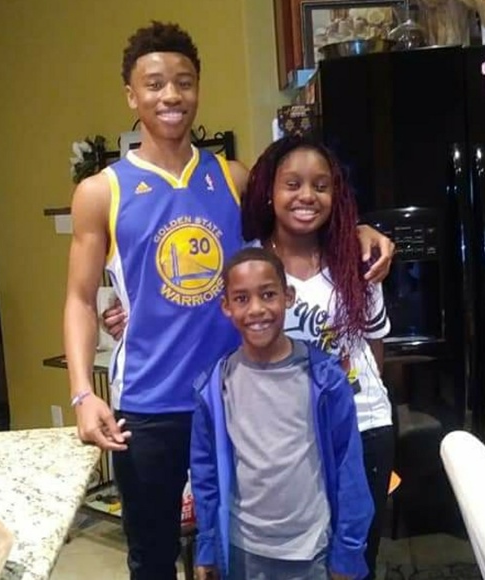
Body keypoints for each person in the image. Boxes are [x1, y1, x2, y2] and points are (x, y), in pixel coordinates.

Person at [67, 21, 394, 580]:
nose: (171, 95)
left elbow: (301, 217)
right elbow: (78, 298)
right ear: (131, 95)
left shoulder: (234, 178)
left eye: (184, 82)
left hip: (236, 397)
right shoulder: (101, 191)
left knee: (231, 544)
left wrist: (359, 230)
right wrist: (81, 394)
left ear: (198, 88)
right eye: (154, 84)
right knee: (151, 555)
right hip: (148, 401)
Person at [241, 135, 395, 580]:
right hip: (286, 439)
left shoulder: (359, 259)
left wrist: (354, 401)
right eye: (293, 184)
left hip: (363, 428)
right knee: (296, 561)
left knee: (354, 561)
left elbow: (374, 347)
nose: (307, 195)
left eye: (320, 185)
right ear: (270, 192)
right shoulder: (249, 264)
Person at [191, 247, 373, 580]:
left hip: (311, 552)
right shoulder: (215, 385)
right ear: (226, 306)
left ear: (287, 296)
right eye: (242, 298)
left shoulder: (325, 380)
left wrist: (348, 553)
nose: (256, 309)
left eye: (268, 294)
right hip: (242, 552)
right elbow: (205, 473)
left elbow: (349, 467)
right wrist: (207, 545)